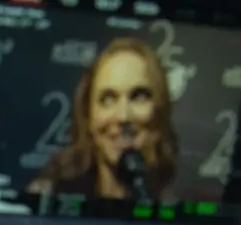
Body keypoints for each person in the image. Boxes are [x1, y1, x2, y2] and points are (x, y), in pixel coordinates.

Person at [26, 37, 179, 202]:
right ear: (88, 116)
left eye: (139, 97)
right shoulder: (49, 199)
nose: (123, 116)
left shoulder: (182, 212)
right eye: (108, 99)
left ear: (160, 111)